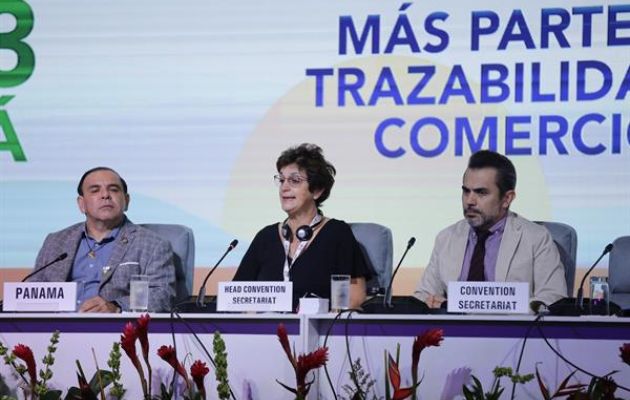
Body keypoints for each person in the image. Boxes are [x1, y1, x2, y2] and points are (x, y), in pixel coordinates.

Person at [414, 150, 567, 309]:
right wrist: (432, 303)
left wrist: (475, 305)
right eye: (466, 191)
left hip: (513, 332)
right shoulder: (446, 238)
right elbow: (423, 296)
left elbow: (553, 298)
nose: (470, 201)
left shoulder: (536, 239)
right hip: (455, 332)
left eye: (481, 193)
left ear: (507, 199)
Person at [233, 143, 371, 310]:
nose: (284, 187)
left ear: (317, 190)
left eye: (294, 180)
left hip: (319, 332)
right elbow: (236, 297)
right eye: (282, 179)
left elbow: (354, 297)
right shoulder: (266, 237)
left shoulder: (337, 234)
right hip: (267, 332)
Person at [31, 167, 176, 313]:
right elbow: (32, 291)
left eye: (113, 189)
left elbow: (162, 296)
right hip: (55, 329)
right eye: (95, 190)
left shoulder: (152, 245)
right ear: (82, 204)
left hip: (114, 330)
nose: (105, 195)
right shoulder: (55, 242)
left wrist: (117, 307)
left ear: (126, 200)